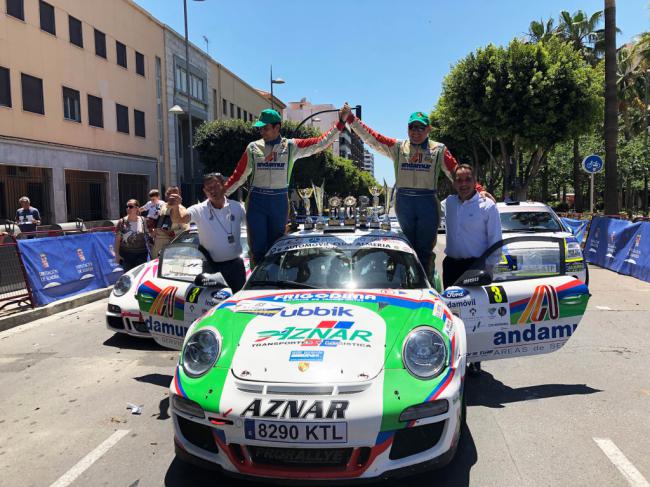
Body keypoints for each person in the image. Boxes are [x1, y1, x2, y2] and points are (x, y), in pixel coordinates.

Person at [339, 104, 490, 275]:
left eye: (420, 127)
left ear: (428, 129)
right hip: (404, 202)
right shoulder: (397, 147)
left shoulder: (439, 149)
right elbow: (372, 138)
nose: (416, 131)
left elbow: (455, 171)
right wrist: (351, 119)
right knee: (405, 249)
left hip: (428, 202)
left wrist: (478, 189)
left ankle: (427, 285)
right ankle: (405, 283)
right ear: (407, 129)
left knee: (424, 251)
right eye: (412, 127)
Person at [224, 108, 345, 265]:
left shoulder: (290, 146)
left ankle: (275, 281)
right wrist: (222, 193)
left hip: (279, 201)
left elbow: (320, 143)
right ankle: (256, 283)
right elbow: (238, 175)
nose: (262, 131)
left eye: (265, 128)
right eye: (260, 128)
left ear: (277, 127)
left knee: (277, 247)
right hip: (256, 202)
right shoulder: (253, 147)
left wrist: (340, 123)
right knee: (257, 248)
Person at [443, 164, 502, 375]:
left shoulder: (487, 206)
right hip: (451, 265)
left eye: (467, 179)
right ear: (454, 182)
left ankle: (476, 358)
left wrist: (489, 269)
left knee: (476, 315)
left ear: (475, 180)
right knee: (452, 313)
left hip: (476, 266)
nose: (463, 184)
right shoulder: (449, 203)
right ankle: (454, 355)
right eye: (459, 179)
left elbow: (495, 239)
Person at [168, 173, 247, 293]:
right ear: (205, 191)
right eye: (208, 188)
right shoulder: (199, 209)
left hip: (236, 267)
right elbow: (179, 219)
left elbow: (252, 228)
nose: (212, 191)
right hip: (211, 267)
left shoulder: (237, 207)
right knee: (212, 305)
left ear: (223, 186)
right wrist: (175, 207)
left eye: (215, 186)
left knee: (237, 303)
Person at [150, 186, 190, 258]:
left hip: (170, 245)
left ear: (177, 196)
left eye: (172, 195)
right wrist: (154, 230)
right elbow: (158, 222)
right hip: (157, 244)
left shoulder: (182, 209)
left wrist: (171, 233)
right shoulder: (162, 206)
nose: (169, 196)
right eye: (167, 193)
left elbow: (186, 230)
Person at [115, 199, 150, 271]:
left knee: (139, 275)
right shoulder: (122, 221)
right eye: (127, 206)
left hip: (141, 254)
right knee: (128, 276)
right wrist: (117, 255)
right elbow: (117, 240)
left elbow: (147, 234)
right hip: (126, 254)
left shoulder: (143, 220)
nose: (128, 208)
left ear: (137, 208)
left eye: (130, 206)